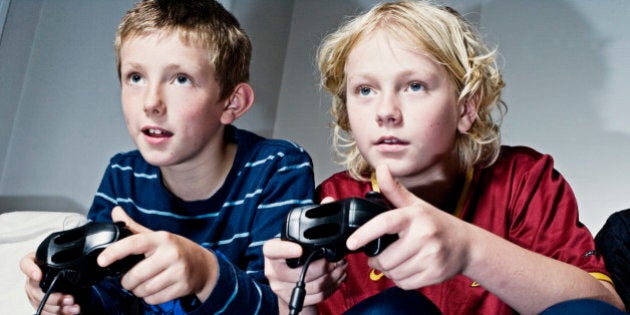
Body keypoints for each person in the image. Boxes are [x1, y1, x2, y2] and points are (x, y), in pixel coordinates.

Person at [263, 1, 625, 314]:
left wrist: (468, 250)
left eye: (415, 86)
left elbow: (601, 307)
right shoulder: (334, 200)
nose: (386, 111)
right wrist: (295, 298)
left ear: (466, 108)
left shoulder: (524, 180)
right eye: (365, 90)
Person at [20, 0, 315, 314]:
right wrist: (66, 294)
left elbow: (284, 306)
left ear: (232, 102)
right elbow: (107, 298)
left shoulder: (278, 169)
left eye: (181, 79)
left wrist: (205, 274)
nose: (151, 103)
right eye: (135, 77)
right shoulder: (123, 175)